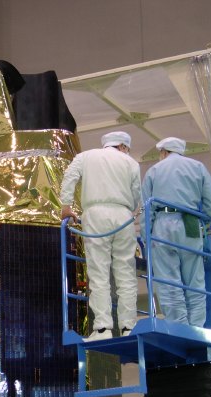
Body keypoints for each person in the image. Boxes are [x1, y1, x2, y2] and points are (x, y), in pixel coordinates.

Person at [60, 131, 141, 341]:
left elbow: (69, 177)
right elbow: (136, 195)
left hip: (94, 215)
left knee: (99, 273)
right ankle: (128, 328)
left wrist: (66, 207)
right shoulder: (130, 162)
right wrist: (129, 210)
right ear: (123, 146)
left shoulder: (86, 157)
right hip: (123, 216)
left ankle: (103, 329)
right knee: (125, 274)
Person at [141, 137, 211, 327]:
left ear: (164, 152)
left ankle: (178, 326)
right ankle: (196, 328)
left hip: (163, 224)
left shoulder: (154, 171)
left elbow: (146, 208)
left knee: (169, 282)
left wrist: (146, 236)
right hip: (191, 223)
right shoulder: (198, 167)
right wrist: (209, 223)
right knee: (195, 279)